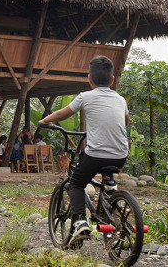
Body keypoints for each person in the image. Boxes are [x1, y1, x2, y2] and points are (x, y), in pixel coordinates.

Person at [39, 55, 129, 246]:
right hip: (121, 154)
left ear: (89, 78)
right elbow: (125, 121)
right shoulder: (121, 100)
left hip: (95, 154)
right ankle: (111, 194)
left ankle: (80, 220)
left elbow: (63, 113)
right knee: (107, 176)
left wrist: (45, 120)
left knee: (76, 184)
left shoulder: (85, 96)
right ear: (112, 80)